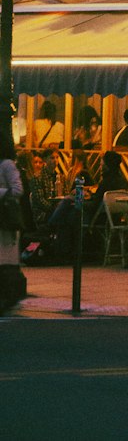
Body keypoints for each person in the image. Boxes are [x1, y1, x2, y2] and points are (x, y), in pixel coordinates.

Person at [0, 129, 28, 311]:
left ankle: (8, 295)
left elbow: (18, 189)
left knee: (5, 260)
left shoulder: (7, 164)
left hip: (4, 218)